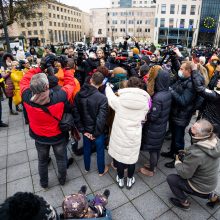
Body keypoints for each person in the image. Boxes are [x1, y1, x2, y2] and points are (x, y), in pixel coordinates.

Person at [20, 61, 75, 189]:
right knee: (61, 159)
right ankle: (62, 180)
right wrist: (66, 67)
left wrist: (39, 67)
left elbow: (24, 80)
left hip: (39, 136)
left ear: (32, 88)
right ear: (47, 86)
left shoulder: (26, 96)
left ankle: (44, 183)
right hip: (58, 136)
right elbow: (70, 83)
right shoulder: (59, 96)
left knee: (42, 161)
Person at [106, 77, 151, 189]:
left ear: (128, 86)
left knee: (120, 158)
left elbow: (110, 98)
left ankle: (120, 179)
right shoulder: (146, 101)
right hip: (134, 135)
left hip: (120, 133)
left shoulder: (119, 100)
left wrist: (107, 87)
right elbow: (145, 115)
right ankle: (130, 179)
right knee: (131, 159)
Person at [167, 119, 220, 211]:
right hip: (210, 183)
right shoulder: (215, 142)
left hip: (199, 186)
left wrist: (177, 161)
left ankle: (184, 203)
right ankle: (214, 197)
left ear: (199, 135)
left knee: (171, 179)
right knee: (204, 189)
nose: (191, 129)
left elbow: (185, 174)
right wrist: (187, 153)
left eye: (194, 128)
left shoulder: (196, 154)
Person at [161, 61, 197, 168]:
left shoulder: (191, 84)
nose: (179, 71)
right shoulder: (183, 79)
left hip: (181, 116)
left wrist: (171, 90)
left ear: (188, 71)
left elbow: (183, 101)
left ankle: (178, 160)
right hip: (175, 113)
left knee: (179, 140)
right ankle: (172, 153)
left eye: (182, 69)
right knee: (174, 137)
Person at [73, 72, 109, 176]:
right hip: (97, 132)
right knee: (100, 150)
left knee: (86, 149)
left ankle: (87, 168)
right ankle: (101, 171)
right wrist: (96, 134)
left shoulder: (78, 94)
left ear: (91, 80)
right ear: (102, 83)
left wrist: (83, 130)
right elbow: (101, 119)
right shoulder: (102, 98)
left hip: (85, 130)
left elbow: (76, 113)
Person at [140, 69, 171, 176]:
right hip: (162, 126)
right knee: (156, 149)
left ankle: (151, 170)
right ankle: (153, 165)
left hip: (154, 128)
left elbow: (153, 116)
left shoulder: (158, 97)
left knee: (153, 150)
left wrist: (146, 114)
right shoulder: (168, 92)